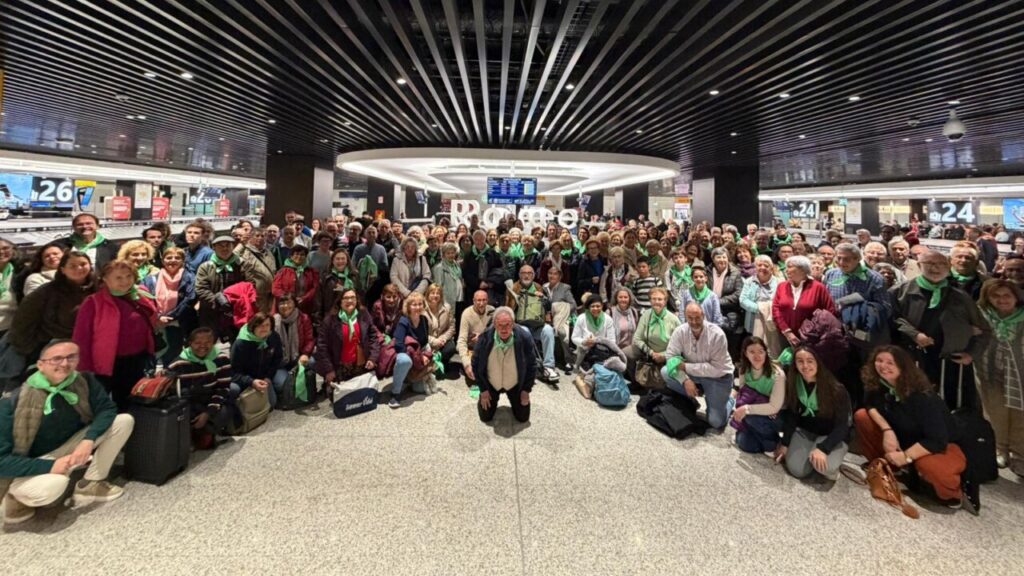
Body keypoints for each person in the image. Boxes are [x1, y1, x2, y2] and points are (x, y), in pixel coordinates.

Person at [0, 340, 134, 525]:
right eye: (56, 359)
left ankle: (90, 484)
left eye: (71, 357)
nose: (65, 364)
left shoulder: (84, 381)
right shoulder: (11, 403)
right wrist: (51, 466)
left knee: (123, 421)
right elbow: (2, 461)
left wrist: (88, 439)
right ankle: (16, 499)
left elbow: (107, 409)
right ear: (40, 365)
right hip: (35, 460)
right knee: (54, 486)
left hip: (71, 444)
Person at [855, 346, 975, 513]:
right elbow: (870, 405)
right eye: (879, 361)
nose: (883, 366)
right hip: (905, 438)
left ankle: (951, 493)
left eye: (890, 363)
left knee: (929, 465)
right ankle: (891, 469)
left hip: (940, 445)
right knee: (862, 416)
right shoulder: (879, 384)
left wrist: (906, 456)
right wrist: (887, 430)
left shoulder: (922, 397)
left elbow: (937, 440)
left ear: (903, 366)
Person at [892, 250, 990, 410]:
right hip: (912, 359)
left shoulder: (960, 296)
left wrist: (971, 354)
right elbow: (892, 318)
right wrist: (914, 334)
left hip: (951, 365)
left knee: (949, 408)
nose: (936, 268)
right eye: (930, 263)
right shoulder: (900, 292)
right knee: (914, 405)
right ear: (919, 265)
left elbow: (984, 330)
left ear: (949, 267)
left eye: (941, 264)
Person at [73, 260, 158, 409]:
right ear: (105, 279)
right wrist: (84, 369)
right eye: (118, 277)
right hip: (107, 364)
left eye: (129, 276)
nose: (125, 281)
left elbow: (151, 318)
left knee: (131, 403)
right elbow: (81, 338)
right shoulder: (93, 302)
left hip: (138, 359)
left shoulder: (139, 294)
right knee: (100, 405)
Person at [775, 346, 851, 481]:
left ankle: (828, 462)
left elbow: (843, 426)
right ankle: (811, 454)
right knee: (797, 470)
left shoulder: (836, 389)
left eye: (810, 361)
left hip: (830, 434)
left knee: (825, 468)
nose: (805, 366)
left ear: (818, 362)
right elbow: (792, 415)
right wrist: (785, 443)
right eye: (800, 361)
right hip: (806, 431)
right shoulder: (794, 382)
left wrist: (824, 449)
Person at [973, 279, 1024, 473]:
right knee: (995, 412)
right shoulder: (981, 315)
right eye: (996, 296)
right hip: (990, 372)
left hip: (1020, 374)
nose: (1002, 300)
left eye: (1007, 296)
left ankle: (1019, 454)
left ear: (1016, 297)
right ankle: (1000, 449)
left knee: (1020, 415)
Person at [9, 251, 95, 364]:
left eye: (83, 264)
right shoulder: (47, 292)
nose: (79, 268)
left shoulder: (99, 288)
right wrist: (30, 351)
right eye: (72, 266)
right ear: (63, 269)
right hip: (54, 349)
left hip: (91, 346)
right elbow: (23, 320)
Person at [661, 303, 736, 430]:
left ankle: (730, 399)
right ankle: (694, 397)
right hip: (696, 375)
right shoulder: (680, 331)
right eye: (690, 318)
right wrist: (685, 380)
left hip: (719, 378)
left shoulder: (717, 334)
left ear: (703, 316)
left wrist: (686, 367)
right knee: (665, 371)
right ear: (685, 317)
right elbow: (670, 357)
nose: (694, 322)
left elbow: (717, 369)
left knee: (716, 422)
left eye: (697, 318)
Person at [166, 328, 236, 449]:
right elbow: (173, 395)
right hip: (190, 404)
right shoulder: (178, 364)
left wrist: (207, 413)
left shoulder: (222, 359)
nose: (202, 346)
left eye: (207, 342)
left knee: (227, 408)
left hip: (210, 401)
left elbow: (223, 389)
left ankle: (206, 431)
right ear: (190, 343)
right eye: (197, 343)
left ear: (213, 343)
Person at [473, 307, 537, 424]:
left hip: (515, 384)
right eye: (500, 325)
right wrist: (483, 390)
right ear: (494, 324)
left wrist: (526, 390)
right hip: (492, 383)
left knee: (523, 417)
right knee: (485, 417)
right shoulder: (484, 338)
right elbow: (475, 364)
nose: (504, 329)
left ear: (513, 324)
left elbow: (532, 365)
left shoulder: (525, 338)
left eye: (507, 325)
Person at [315, 287, 380, 391]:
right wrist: (329, 369)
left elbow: (373, 336)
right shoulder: (330, 320)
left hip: (361, 366)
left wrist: (373, 358)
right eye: (346, 298)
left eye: (353, 297)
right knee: (341, 396)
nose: (350, 300)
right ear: (340, 301)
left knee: (360, 396)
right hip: (339, 368)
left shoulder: (363, 314)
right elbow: (322, 346)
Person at [731, 336, 787, 453]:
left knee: (751, 418)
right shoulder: (743, 370)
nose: (757, 356)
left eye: (761, 352)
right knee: (745, 444)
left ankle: (773, 440)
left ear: (766, 353)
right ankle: (766, 443)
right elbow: (743, 394)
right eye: (752, 352)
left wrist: (747, 409)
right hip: (759, 409)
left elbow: (774, 407)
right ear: (746, 354)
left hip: (776, 415)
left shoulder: (777, 374)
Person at [505, 265, 560, 384]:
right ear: (519, 275)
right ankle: (528, 367)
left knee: (548, 330)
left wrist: (544, 299)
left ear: (534, 275)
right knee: (525, 332)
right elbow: (508, 309)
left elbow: (547, 308)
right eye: (523, 273)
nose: (526, 275)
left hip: (537, 325)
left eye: (529, 273)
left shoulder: (539, 287)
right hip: (520, 325)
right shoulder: (513, 288)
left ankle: (549, 366)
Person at [142, 247, 196, 367]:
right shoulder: (151, 279)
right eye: (169, 257)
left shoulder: (189, 278)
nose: (173, 260)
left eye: (177, 258)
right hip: (155, 323)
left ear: (183, 261)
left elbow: (190, 299)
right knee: (155, 352)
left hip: (178, 322)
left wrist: (170, 317)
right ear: (163, 260)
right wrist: (158, 317)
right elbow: (145, 299)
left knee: (174, 351)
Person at [771, 255, 837, 348]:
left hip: (812, 337)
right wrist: (787, 331)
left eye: (790, 267)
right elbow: (776, 309)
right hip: (785, 335)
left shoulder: (818, 287)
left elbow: (830, 311)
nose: (786, 270)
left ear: (802, 269)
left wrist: (815, 332)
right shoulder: (782, 286)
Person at [195, 236, 245, 338]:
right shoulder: (205, 266)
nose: (224, 248)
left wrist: (235, 301)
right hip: (211, 311)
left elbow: (248, 284)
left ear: (233, 246)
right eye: (220, 246)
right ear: (214, 248)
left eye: (228, 245)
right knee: (210, 338)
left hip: (236, 310)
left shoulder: (242, 264)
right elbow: (201, 288)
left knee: (237, 338)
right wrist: (218, 301)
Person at [230, 313, 283, 408]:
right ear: (253, 326)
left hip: (264, 377)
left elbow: (277, 359)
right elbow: (233, 372)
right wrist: (251, 381)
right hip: (246, 379)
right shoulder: (240, 343)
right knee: (234, 390)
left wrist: (268, 377)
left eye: (267, 325)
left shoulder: (274, 337)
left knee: (272, 403)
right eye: (260, 325)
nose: (264, 328)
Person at [389, 292, 432, 408]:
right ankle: (395, 394)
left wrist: (426, 355)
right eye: (414, 304)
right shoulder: (404, 321)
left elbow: (425, 342)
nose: (418, 307)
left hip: (417, 355)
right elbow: (399, 345)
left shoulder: (424, 320)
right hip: (404, 354)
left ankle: (406, 380)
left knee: (419, 389)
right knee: (405, 361)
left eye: (420, 304)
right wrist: (416, 358)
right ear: (408, 307)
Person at [271, 294, 315, 400]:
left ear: (295, 304)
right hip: (280, 363)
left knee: (312, 362)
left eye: (289, 302)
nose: (285, 306)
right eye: (282, 303)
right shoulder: (272, 321)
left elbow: (310, 339)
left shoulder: (303, 318)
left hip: (298, 357)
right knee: (281, 384)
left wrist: (305, 354)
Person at [571, 294, 617, 372]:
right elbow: (574, 337)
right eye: (592, 306)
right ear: (588, 307)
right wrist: (584, 342)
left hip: (602, 353)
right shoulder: (581, 318)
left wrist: (598, 341)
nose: (595, 308)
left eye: (598, 306)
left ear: (602, 306)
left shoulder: (608, 319)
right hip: (584, 353)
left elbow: (612, 340)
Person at [237, 227, 278, 314]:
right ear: (251, 237)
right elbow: (233, 258)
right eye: (257, 236)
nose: (260, 238)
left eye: (263, 236)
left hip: (270, 295)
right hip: (255, 295)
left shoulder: (268, 253)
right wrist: (241, 244)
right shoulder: (245, 251)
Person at [457, 290, 495, 384]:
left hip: (487, 346)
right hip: (472, 348)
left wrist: (482, 337)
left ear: (487, 300)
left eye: (484, 300)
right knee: (474, 374)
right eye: (478, 300)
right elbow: (461, 341)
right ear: (473, 301)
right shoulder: (466, 314)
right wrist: (466, 364)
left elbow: (496, 334)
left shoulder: (492, 311)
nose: (481, 303)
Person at [272, 244, 319, 316]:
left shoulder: (311, 272)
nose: (299, 257)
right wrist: (288, 299)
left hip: (305, 307)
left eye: (302, 255)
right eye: (296, 254)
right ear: (291, 256)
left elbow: (315, 288)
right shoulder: (282, 271)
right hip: (286, 307)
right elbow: (275, 289)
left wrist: (304, 298)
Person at [425, 284, 457, 372]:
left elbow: (452, 327)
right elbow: (421, 332)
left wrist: (443, 339)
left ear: (441, 295)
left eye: (438, 293)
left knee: (451, 348)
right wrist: (434, 341)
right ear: (428, 294)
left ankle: (442, 362)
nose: (435, 295)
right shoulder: (422, 309)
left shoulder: (447, 308)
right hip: (427, 341)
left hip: (442, 340)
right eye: (432, 293)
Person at [431, 242, 464, 312]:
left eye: (452, 253)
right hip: (447, 298)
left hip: (459, 296)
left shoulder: (457, 265)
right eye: (448, 253)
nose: (451, 255)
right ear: (443, 255)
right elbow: (438, 286)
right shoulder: (439, 267)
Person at [0, 239, 18, 336]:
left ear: (13, 250)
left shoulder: (21, 272)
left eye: (5, 248)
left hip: (11, 328)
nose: (1, 252)